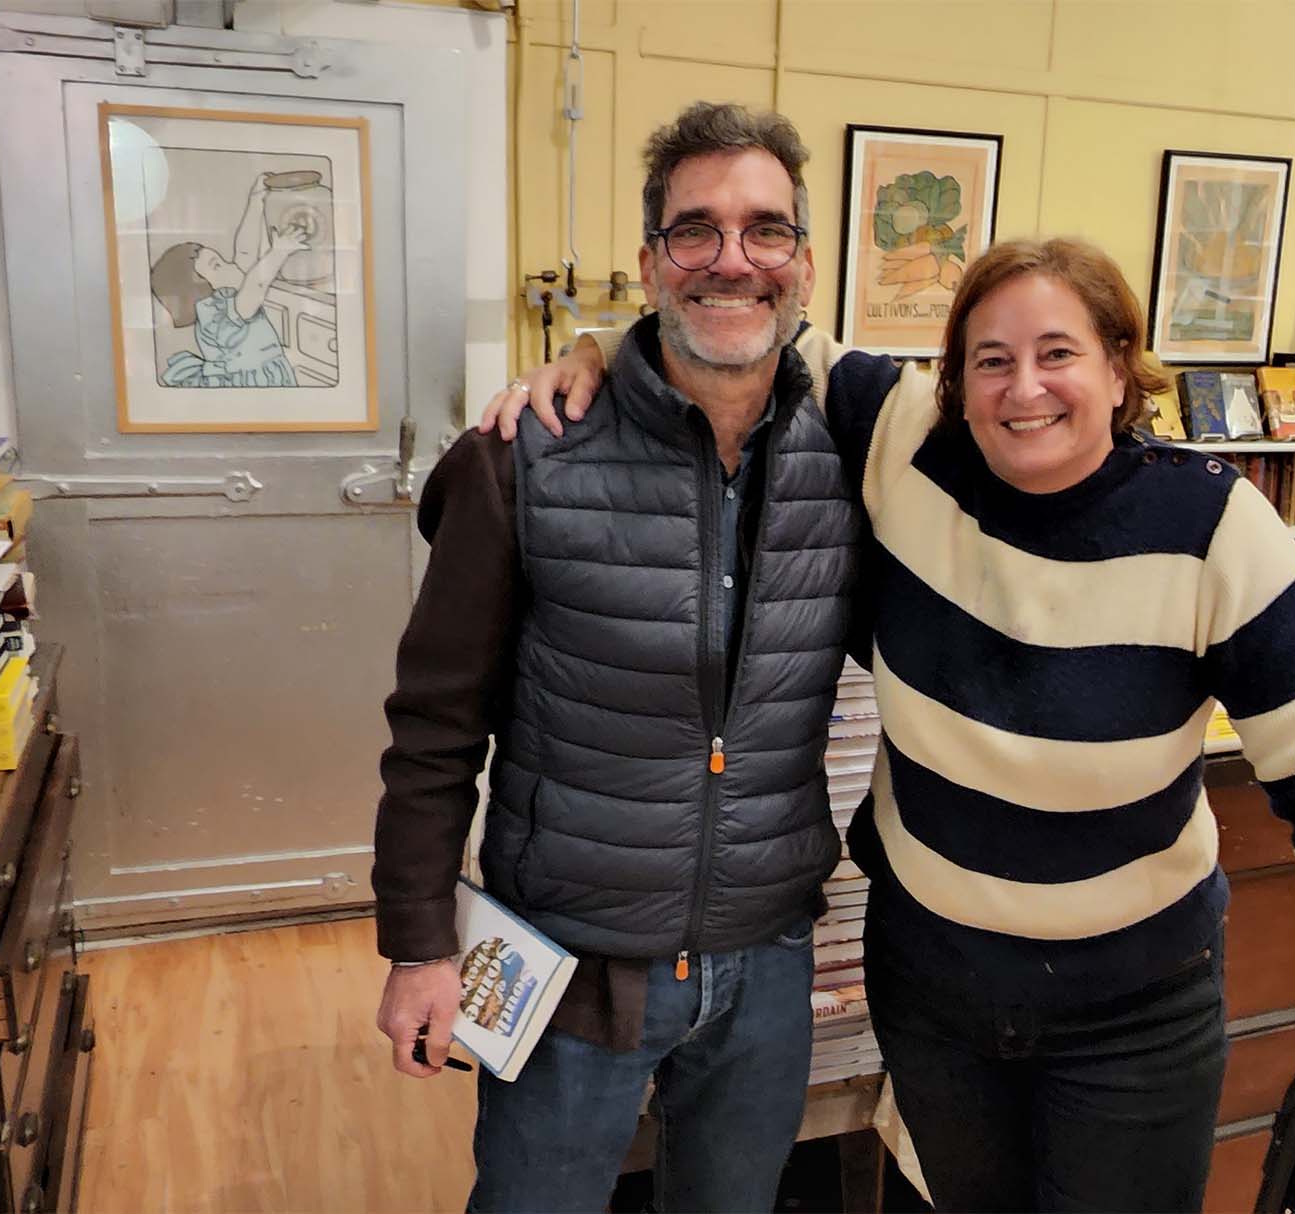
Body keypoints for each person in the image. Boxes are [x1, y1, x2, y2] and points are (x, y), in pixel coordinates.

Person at [483, 237, 1295, 1211]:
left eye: (1057, 353)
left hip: (1133, 1008)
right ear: (954, 382)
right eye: (990, 360)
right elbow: (741, 323)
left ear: (1119, 368)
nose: (1023, 389)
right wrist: (592, 351)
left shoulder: (1210, 526)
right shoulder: (908, 448)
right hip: (934, 993)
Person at [370, 102, 859, 1213]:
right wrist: (415, 942)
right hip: (569, 965)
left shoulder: (853, 451)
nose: (732, 260)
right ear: (648, 264)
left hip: (764, 960)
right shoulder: (525, 460)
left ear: (803, 263)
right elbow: (435, 727)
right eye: (695, 231)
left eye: (764, 230)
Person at [147, 221, 307, 388]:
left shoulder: (223, 299)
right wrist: (278, 252)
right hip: (254, 381)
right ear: (198, 289)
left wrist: (256, 202)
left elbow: (245, 253)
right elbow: (256, 285)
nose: (230, 265)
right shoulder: (216, 315)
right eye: (217, 265)